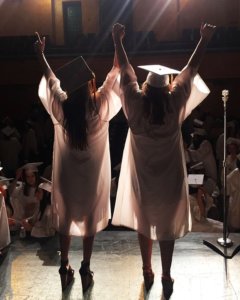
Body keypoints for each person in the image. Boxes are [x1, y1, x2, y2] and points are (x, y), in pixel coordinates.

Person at [111, 22, 215, 299]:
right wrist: (203, 39)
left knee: (145, 222)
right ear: (168, 86)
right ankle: (167, 274)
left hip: (142, 178)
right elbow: (190, 70)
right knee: (166, 227)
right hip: (168, 179)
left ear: (146, 85)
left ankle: (147, 269)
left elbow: (125, 71)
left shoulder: (134, 103)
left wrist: (117, 41)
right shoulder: (174, 105)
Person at [35, 33, 121, 292]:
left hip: (67, 175)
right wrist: (118, 44)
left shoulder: (62, 108)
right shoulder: (98, 107)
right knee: (90, 218)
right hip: (92, 175)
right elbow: (114, 75)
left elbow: (51, 81)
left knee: (67, 217)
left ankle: (64, 265)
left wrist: (40, 54)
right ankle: (85, 266)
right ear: (89, 84)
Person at [9, 162, 42, 230]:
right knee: (13, 199)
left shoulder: (40, 189)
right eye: (28, 177)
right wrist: (17, 178)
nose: (30, 179)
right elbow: (11, 193)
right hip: (23, 215)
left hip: (35, 217)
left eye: (32, 176)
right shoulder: (23, 188)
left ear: (36, 176)